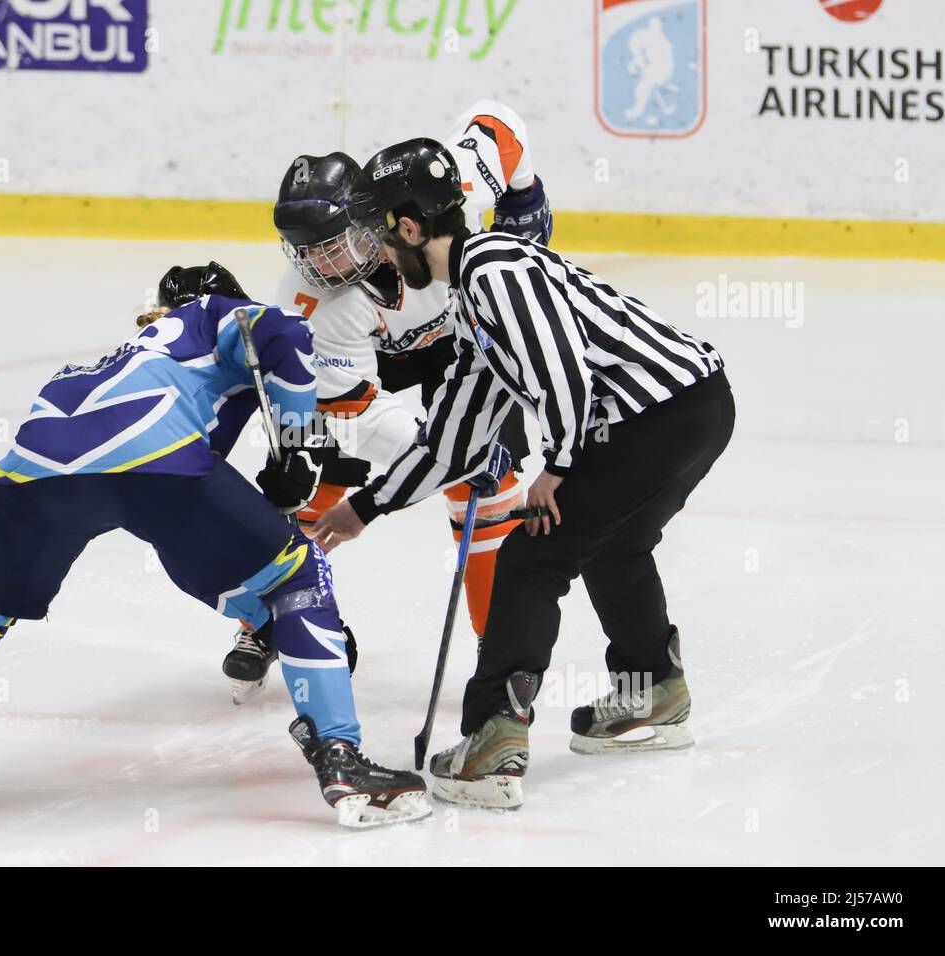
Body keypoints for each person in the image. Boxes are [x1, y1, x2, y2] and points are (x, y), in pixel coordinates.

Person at [0, 263, 431, 829]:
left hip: (33, 468)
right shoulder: (214, 316)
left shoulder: (118, 360)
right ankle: (340, 758)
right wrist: (297, 443)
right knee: (299, 574)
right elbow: (285, 335)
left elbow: (181, 540)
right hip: (152, 461)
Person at [313, 141, 734, 809]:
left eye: (380, 235)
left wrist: (558, 467)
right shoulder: (473, 301)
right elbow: (453, 439)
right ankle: (653, 686)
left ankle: (491, 742)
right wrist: (365, 507)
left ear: (411, 227)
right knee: (614, 546)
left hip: (654, 416)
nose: (379, 254)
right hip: (690, 407)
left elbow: (559, 367)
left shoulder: (495, 269)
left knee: (531, 557)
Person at [221, 101, 553, 703]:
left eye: (332, 244)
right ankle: (269, 621)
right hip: (358, 375)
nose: (320, 265)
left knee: (493, 493)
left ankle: (499, 648)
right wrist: (448, 454)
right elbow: (359, 414)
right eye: (306, 252)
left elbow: (499, 123)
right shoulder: (312, 308)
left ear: (375, 219)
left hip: (462, 346)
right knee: (309, 472)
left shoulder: (436, 192)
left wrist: (524, 201)